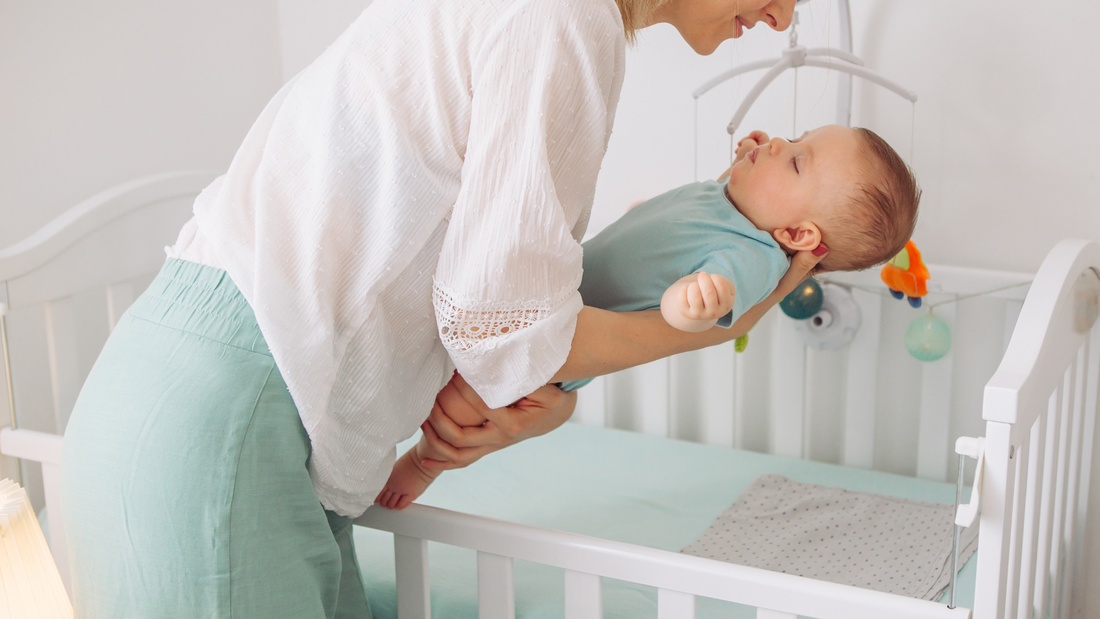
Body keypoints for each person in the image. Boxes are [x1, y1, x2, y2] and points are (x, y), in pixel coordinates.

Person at [59, 0, 819, 617]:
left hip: (240, 406)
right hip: (228, 419)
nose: (784, 20)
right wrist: (713, 328)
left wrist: (531, 377)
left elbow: (485, 304)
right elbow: (506, 324)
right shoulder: (563, 19)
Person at [376, 124, 921, 510]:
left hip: (550, 358)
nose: (779, 142)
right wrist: (753, 159)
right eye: (796, 137)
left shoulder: (750, 257)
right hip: (546, 300)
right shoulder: (729, 202)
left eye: (797, 160)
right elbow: (705, 213)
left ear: (798, 237)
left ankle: (423, 464)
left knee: (460, 404)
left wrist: (695, 302)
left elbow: (713, 306)